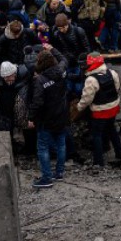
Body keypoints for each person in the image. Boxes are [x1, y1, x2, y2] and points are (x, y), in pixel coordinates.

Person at [75, 53, 121, 167]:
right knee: (112, 131)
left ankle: (98, 161)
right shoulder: (112, 73)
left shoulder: (91, 80)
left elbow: (87, 99)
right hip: (113, 107)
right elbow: (116, 88)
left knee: (97, 135)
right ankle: (120, 154)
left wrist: (79, 107)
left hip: (99, 111)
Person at [27, 51, 69, 188]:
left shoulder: (40, 80)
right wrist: (53, 49)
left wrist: (31, 117)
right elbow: (63, 58)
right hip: (62, 115)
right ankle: (59, 172)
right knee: (61, 144)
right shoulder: (61, 72)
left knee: (42, 147)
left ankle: (46, 178)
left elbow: (37, 102)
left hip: (46, 118)